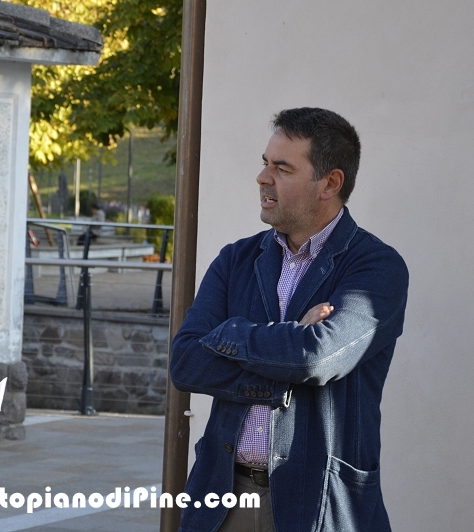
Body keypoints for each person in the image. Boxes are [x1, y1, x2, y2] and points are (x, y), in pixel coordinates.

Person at [170, 108, 408, 532]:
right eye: (265, 163)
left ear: (330, 184)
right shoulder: (234, 260)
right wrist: (289, 336)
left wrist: (227, 336)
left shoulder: (377, 269)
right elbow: (185, 363)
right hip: (222, 502)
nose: (263, 178)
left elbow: (316, 358)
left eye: (282, 168)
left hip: (318, 504)